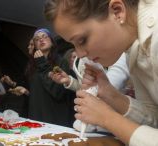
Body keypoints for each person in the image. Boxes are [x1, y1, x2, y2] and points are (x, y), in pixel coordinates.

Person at [44, 0, 158, 146]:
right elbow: (154, 119)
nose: (80, 54)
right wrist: (111, 95)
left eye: (82, 40)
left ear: (117, 11)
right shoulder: (133, 49)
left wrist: (108, 119)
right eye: (73, 45)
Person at [6, 28, 73, 127]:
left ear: (52, 42)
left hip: (54, 120)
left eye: (44, 36)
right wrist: (26, 92)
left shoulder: (61, 62)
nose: (41, 40)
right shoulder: (32, 66)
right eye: (37, 39)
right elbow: (39, 93)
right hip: (36, 118)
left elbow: (58, 92)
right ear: (35, 46)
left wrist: (43, 64)